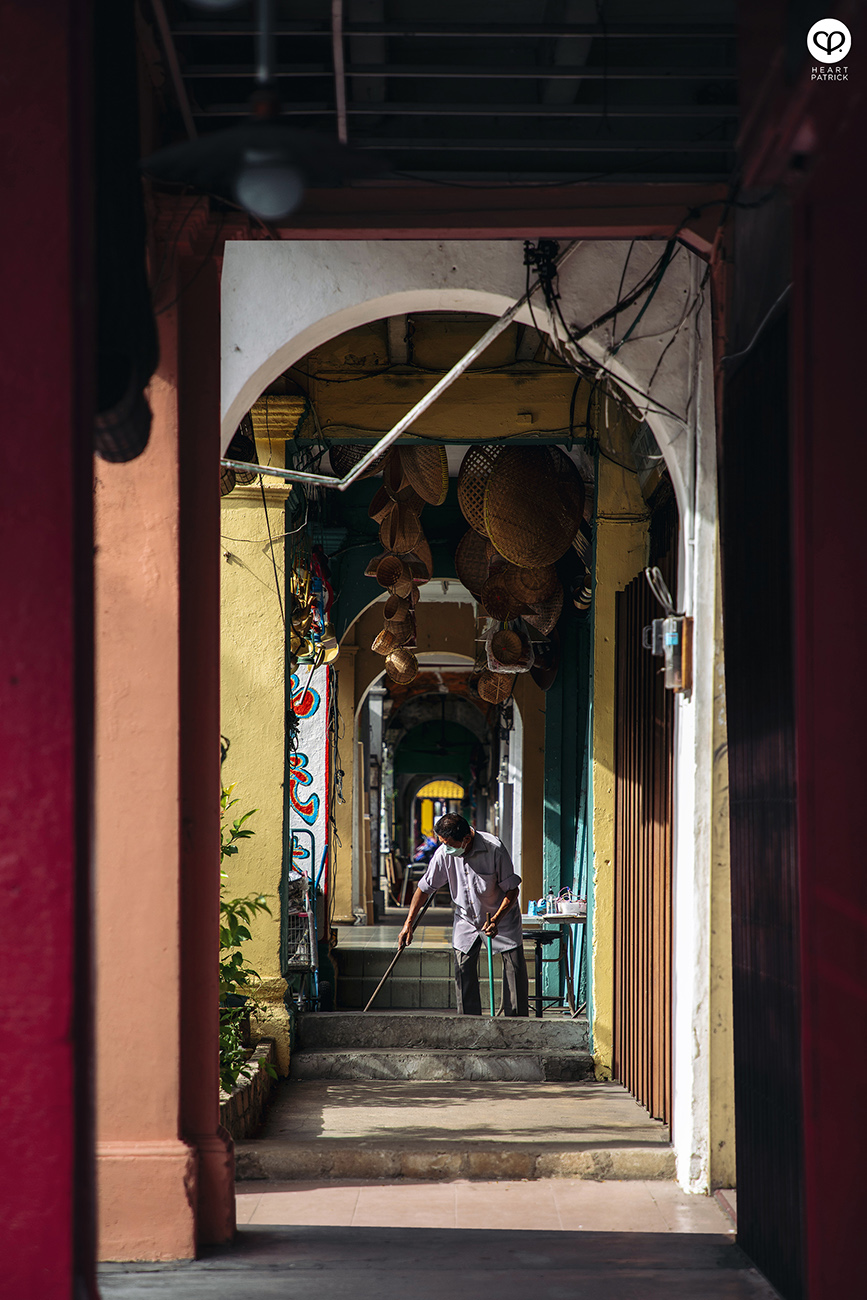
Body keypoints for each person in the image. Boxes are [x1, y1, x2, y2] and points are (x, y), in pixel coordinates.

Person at [399, 813, 529, 1017]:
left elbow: (512, 890)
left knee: (514, 971)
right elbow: (424, 889)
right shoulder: (444, 853)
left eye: (449, 843)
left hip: (500, 917)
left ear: (466, 839)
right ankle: (469, 1024)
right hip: (466, 919)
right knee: (463, 970)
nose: (446, 848)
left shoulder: (493, 848)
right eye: (443, 843)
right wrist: (408, 924)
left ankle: (517, 1026)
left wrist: (496, 920)